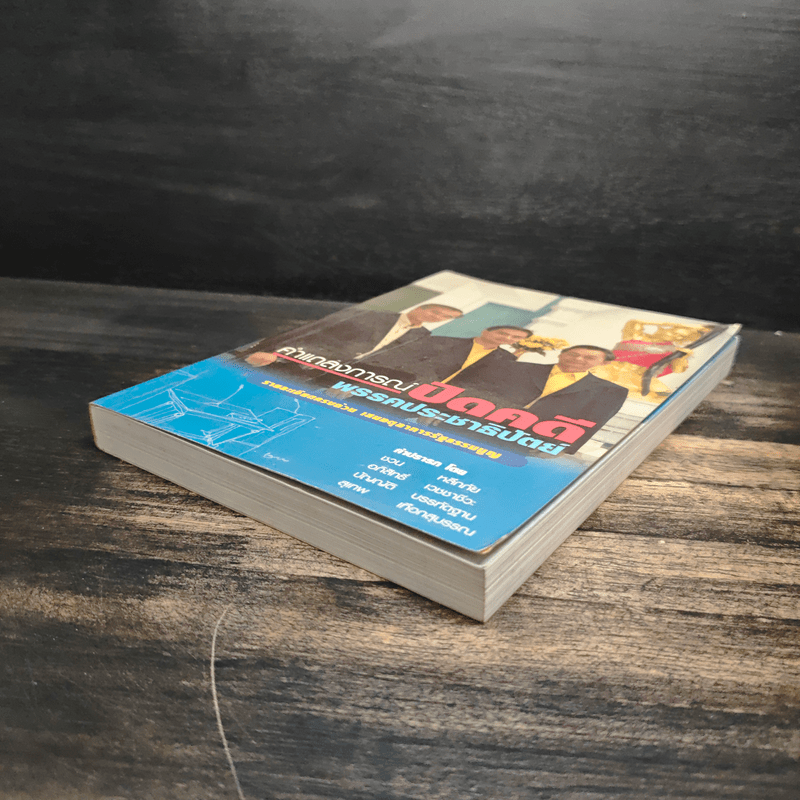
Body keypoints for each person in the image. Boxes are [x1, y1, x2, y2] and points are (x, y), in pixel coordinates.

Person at [484, 345, 629, 453]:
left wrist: (564, 449)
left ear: (604, 363)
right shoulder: (517, 368)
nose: (578, 359)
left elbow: (592, 421)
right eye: (572, 354)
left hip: (534, 441)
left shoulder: (611, 390)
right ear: (561, 354)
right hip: (485, 424)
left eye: (589, 358)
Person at [235, 303, 463, 367]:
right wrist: (277, 354)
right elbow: (314, 333)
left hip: (339, 378)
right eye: (436, 312)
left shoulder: (422, 336)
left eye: (446, 317)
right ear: (421, 307)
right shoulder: (372, 315)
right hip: (292, 360)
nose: (438, 317)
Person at [366, 325, 533, 387]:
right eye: (502, 333)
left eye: (515, 337)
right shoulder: (441, 341)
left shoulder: (506, 358)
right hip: (400, 388)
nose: (507, 338)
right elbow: (395, 360)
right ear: (485, 331)